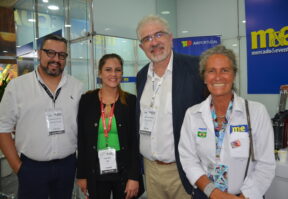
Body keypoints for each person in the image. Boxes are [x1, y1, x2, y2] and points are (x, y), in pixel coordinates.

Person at [179, 45, 276, 199]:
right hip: (205, 194)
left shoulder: (256, 112)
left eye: (225, 70)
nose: (218, 77)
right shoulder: (192, 114)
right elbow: (188, 160)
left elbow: (265, 164)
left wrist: (244, 197)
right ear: (204, 78)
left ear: (234, 75)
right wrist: (214, 193)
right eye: (211, 71)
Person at [0, 34, 83, 199]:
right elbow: (3, 128)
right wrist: (18, 167)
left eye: (61, 55)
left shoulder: (77, 87)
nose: (56, 59)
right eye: (50, 53)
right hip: (31, 168)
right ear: (39, 53)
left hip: (67, 166)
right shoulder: (18, 86)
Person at [136, 15, 206, 199]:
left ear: (170, 37)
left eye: (159, 34)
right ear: (141, 46)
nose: (154, 42)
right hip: (150, 170)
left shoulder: (196, 68)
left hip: (182, 170)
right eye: (147, 38)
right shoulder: (142, 75)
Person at [76, 53, 144, 199]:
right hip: (95, 169)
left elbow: (135, 142)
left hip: (124, 170)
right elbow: (81, 141)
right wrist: (82, 175)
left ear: (122, 73)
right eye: (108, 69)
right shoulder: (87, 100)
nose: (113, 74)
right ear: (100, 73)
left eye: (118, 70)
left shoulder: (131, 102)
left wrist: (134, 176)